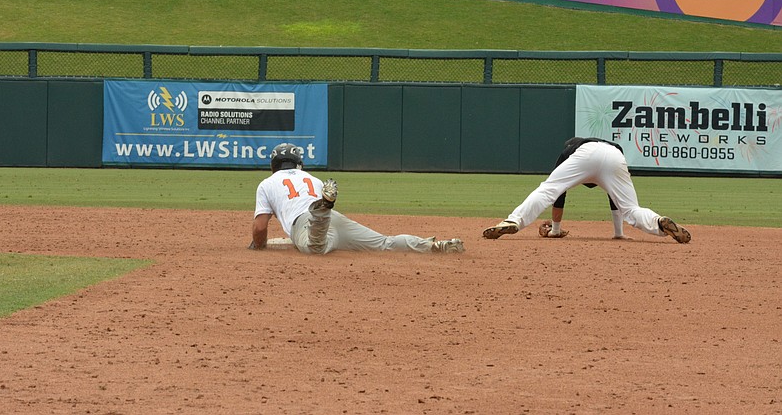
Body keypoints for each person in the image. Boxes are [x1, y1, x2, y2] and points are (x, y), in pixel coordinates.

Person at [250, 143, 465, 254]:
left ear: (274, 164)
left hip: (306, 222)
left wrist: (258, 246)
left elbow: (260, 228)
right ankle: (435, 246)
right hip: (336, 220)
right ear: (298, 163)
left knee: (315, 249)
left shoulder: (267, 184)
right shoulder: (312, 179)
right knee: (385, 243)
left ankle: (322, 210)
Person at [483, 137, 691, 244]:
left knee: (548, 189)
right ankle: (659, 223)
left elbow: (558, 195)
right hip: (614, 155)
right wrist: (618, 234)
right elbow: (614, 198)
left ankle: (513, 221)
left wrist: (555, 230)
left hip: (585, 154)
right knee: (630, 208)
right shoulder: (611, 145)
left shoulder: (569, 150)